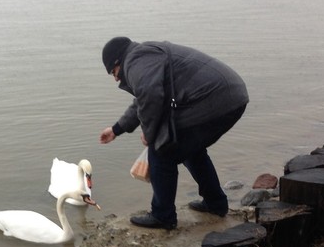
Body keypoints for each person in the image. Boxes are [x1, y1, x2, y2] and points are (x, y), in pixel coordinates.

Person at [99, 36, 249, 230]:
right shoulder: (143, 56)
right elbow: (143, 99)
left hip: (216, 100)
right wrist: (116, 129)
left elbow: (151, 96)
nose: (116, 78)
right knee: (191, 150)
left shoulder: (136, 61)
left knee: (163, 150)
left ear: (118, 61)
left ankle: (163, 216)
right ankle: (216, 204)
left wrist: (149, 133)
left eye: (113, 72)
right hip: (229, 96)